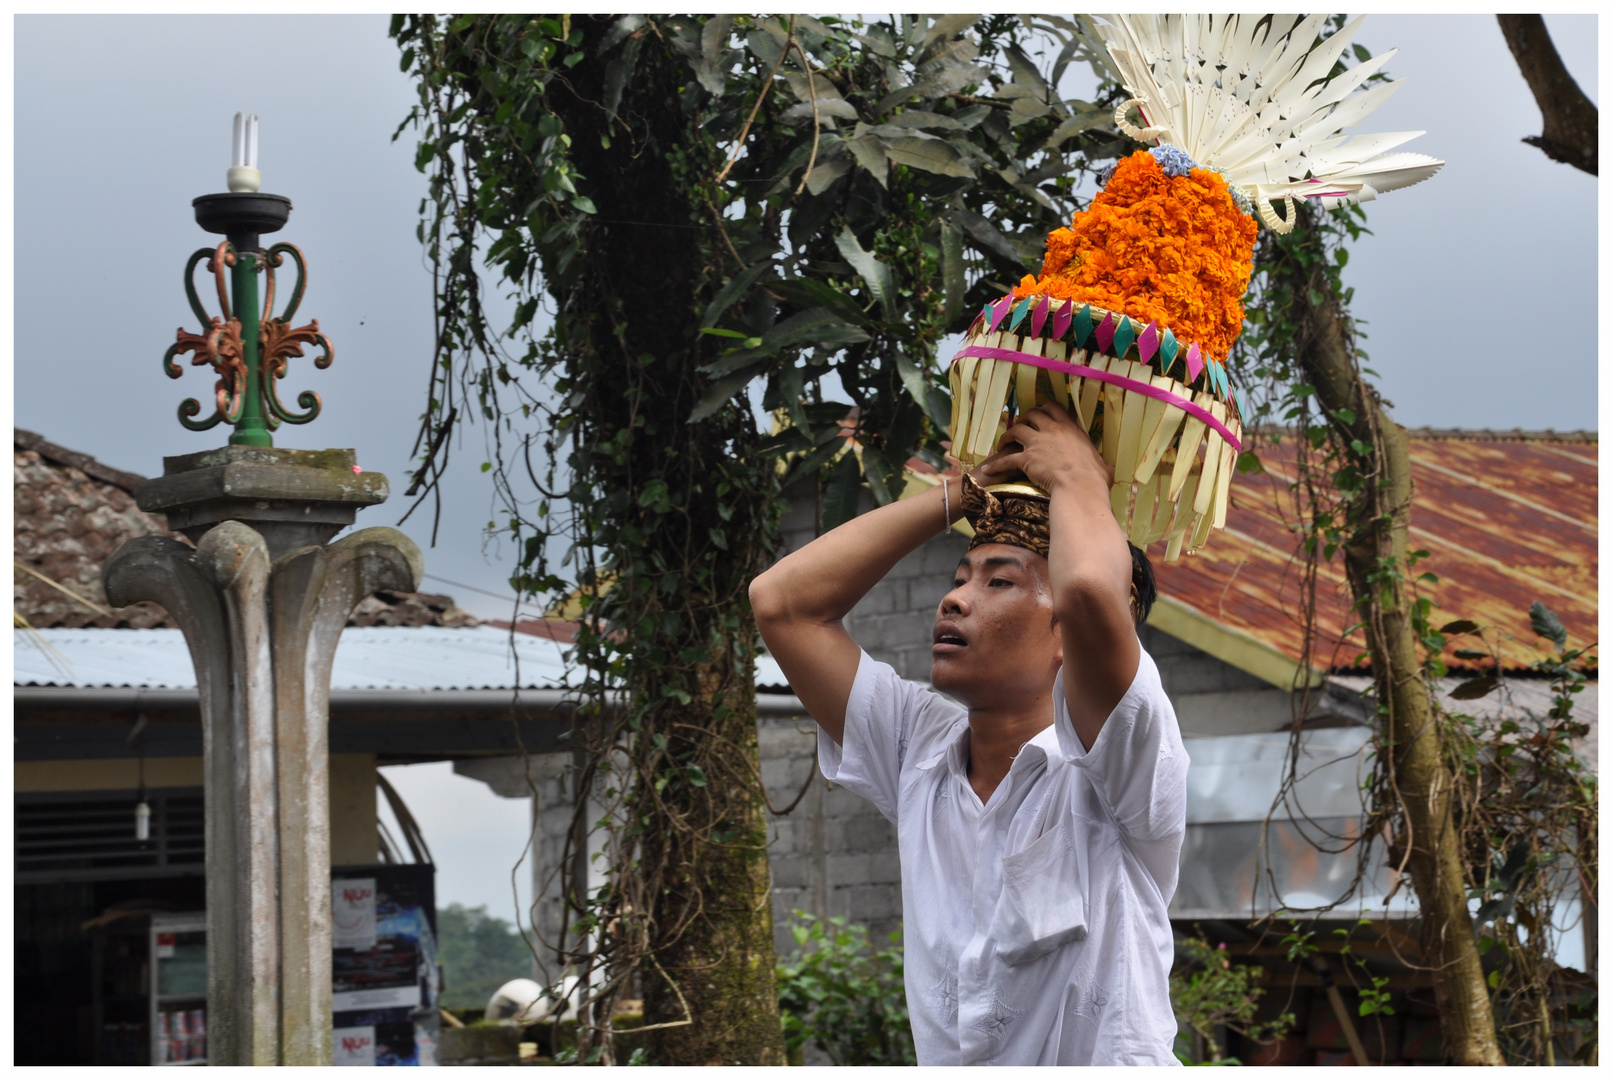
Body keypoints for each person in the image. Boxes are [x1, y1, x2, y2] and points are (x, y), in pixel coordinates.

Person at [749, 401, 1188, 1065]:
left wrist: (1079, 481)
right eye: (959, 579)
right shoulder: (918, 750)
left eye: (999, 581)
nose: (955, 600)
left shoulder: (1120, 770)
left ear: (1067, 633)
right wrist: (960, 494)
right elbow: (783, 603)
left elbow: (1092, 596)